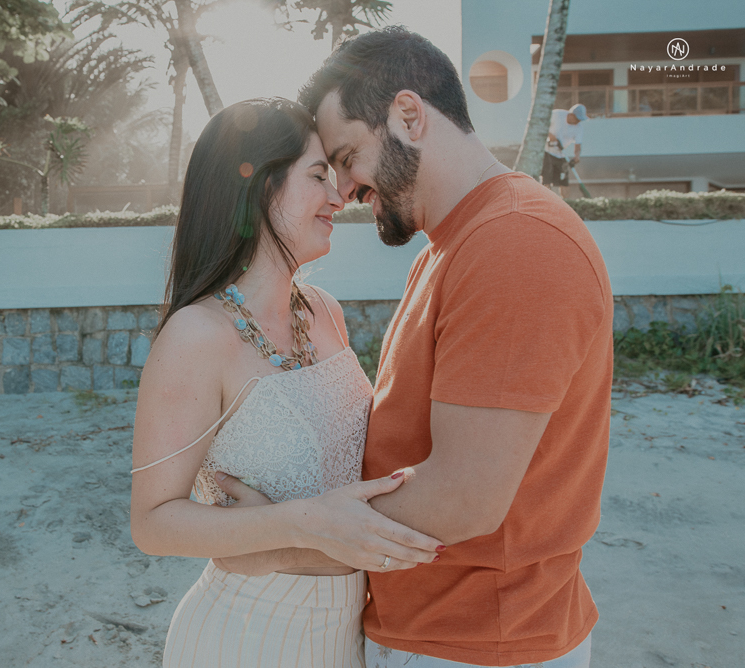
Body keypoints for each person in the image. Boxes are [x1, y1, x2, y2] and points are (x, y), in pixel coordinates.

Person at [217, 28, 612, 668]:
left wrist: (277, 545)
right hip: (444, 633)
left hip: (479, 643)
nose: (343, 191)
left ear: (408, 114)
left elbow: (462, 498)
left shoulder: (515, 245)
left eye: (347, 157)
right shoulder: (457, 243)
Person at [129, 98, 444, 667]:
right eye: (319, 175)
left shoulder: (325, 311)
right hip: (245, 637)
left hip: (347, 637)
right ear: (259, 186)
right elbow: (153, 523)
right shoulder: (197, 336)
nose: (339, 195)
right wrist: (296, 524)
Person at [542, 103, 588, 196]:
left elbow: (578, 146)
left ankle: (566, 203)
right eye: (577, 119)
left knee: (564, 181)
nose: (578, 122)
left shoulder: (579, 128)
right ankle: (546, 201)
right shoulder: (557, 115)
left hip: (561, 154)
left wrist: (576, 156)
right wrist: (551, 136)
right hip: (547, 151)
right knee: (546, 179)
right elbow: (542, 124)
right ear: (571, 115)